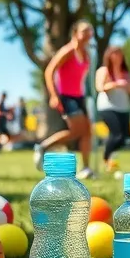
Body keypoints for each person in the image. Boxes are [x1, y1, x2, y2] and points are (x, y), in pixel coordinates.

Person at [33, 21, 95, 179]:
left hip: (79, 96)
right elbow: (49, 71)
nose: (88, 33)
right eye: (85, 30)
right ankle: (43, 147)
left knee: (87, 131)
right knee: (77, 131)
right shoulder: (68, 51)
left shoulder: (86, 54)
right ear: (75, 33)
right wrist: (54, 95)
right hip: (66, 96)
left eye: (90, 31)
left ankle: (86, 168)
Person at [95, 46, 130, 172]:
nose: (117, 56)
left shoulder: (126, 73)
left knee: (125, 138)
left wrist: (127, 85)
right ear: (109, 56)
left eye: (120, 54)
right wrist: (116, 84)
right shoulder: (103, 70)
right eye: (114, 53)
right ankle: (106, 159)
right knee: (117, 135)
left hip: (123, 108)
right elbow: (100, 87)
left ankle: (111, 156)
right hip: (107, 107)